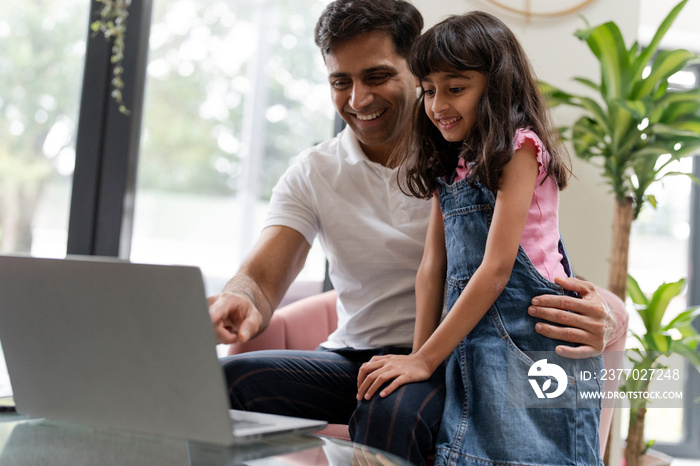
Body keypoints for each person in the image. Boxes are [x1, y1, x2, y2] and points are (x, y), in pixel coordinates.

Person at [208, 1, 621, 465]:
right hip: (357, 359)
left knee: (391, 410)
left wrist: (609, 315)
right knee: (226, 382)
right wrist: (239, 297)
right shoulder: (328, 171)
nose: (359, 99)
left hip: (455, 357)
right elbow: (263, 275)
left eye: (376, 76)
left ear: (415, 62)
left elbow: (528, 266)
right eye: (341, 81)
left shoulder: (490, 153)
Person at [356, 11, 604, 465]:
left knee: (534, 456)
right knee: (466, 452)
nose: (437, 105)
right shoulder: (449, 164)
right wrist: (419, 357)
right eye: (428, 90)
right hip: (471, 337)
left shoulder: (520, 149)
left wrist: (426, 360)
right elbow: (433, 269)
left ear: (496, 86)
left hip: (533, 338)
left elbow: (496, 270)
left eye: (456, 88)